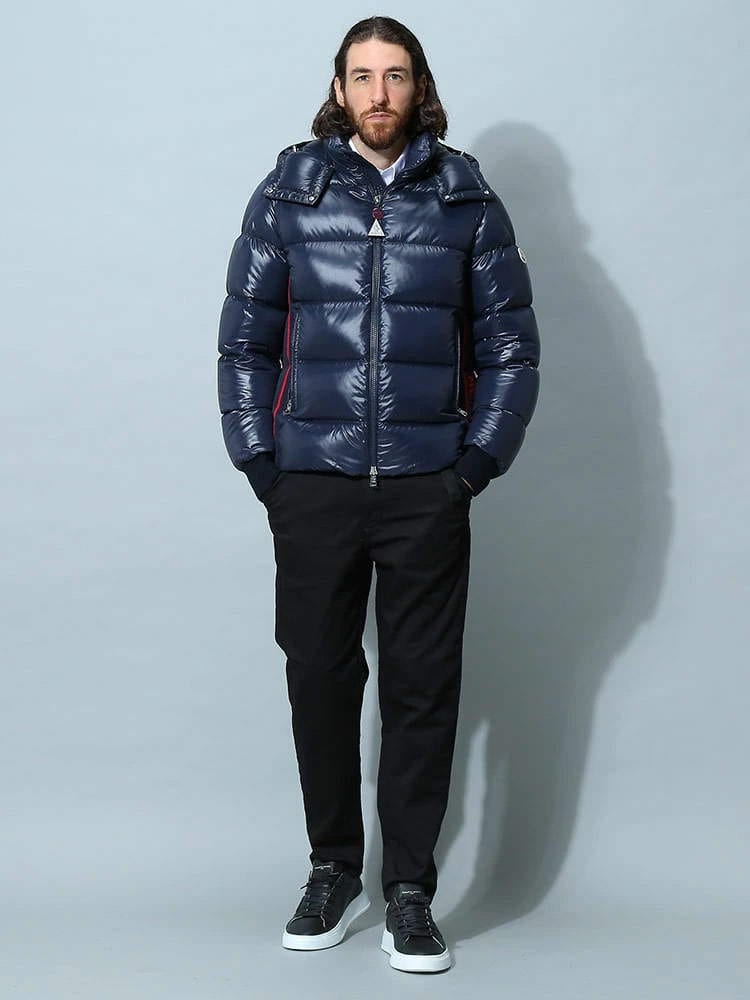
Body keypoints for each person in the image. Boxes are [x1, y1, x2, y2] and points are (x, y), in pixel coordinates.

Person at [217, 15, 540, 974]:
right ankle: (332, 871)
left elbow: (512, 348)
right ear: (339, 88)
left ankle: (408, 891)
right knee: (318, 677)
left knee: (420, 686)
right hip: (311, 484)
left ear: (419, 86)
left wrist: (472, 467)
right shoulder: (289, 192)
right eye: (362, 76)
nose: (379, 94)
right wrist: (261, 462)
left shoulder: (466, 200)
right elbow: (244, 340)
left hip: (424, 485)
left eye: (395, 76)